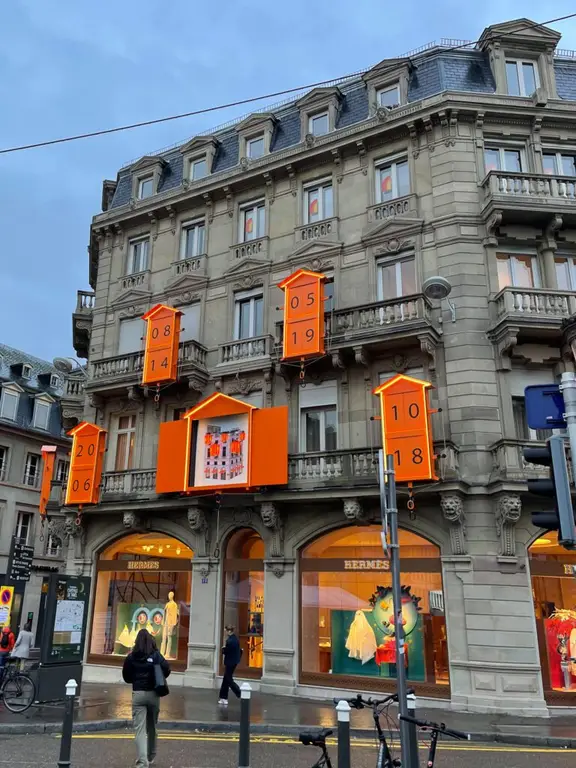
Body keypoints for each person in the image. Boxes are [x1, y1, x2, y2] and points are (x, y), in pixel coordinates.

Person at [122, 628, 171, 768]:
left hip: (138, 694)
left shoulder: (131, 657)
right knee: (152, 727)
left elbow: (126, 677)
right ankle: (151, 756)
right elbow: (167, 669)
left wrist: (136, 680)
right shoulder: (156, 655)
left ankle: (142, 762)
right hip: (153, 694)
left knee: (140, 729)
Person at [218, 625, 242, 705]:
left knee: (228, 679)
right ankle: (223, 697)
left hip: (229, 662)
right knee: (226, 679)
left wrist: (223, 649)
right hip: (234, 662)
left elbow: (226, 652)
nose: (225, 632)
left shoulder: (230, 641)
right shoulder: (235, 639)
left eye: (225, 630)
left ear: (228, 631)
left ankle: (239, 693)